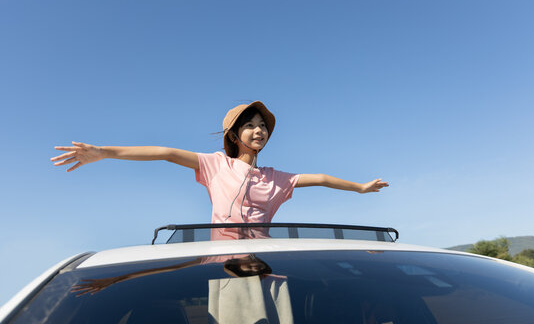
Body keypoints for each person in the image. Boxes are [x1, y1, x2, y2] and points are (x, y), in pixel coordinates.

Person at [51, 101, 388, 225]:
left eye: (263, 126)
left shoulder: (274, 178)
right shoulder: (216, 166)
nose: (259, 130)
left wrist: (360, 188)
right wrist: (103, 152)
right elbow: (166, 152)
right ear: (234, 134)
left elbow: (323, 178)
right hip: (225, 268)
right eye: (250, 125)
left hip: (268, 264)